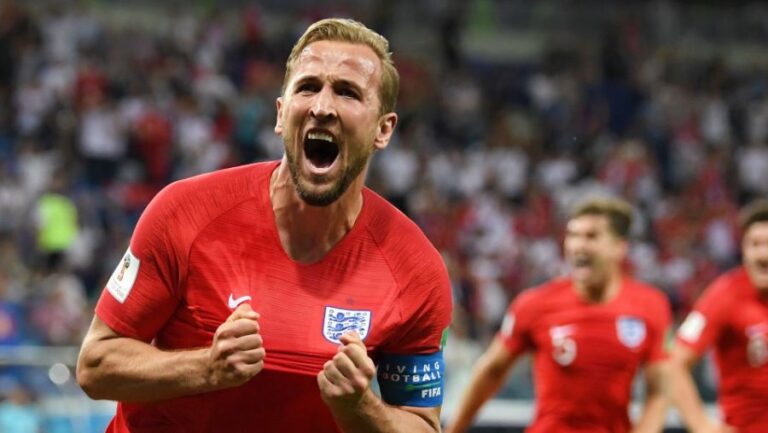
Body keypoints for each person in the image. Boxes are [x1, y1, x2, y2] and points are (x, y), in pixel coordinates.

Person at [76, 18, 452, 433]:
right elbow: (95, 365)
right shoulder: (185, 212)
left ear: (383, 129)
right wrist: (206, 367)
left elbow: (423, 425)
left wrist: (361, 408)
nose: (322, 107)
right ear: (280, 114)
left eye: (347, 92)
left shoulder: (414, 269)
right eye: (307, 87)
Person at [445, 198, 671, 433]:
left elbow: (659, 391)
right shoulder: (535, 303)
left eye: (591, 236)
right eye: (573, 235)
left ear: (619, 247)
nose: (578, 245)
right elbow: (492, 371)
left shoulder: (650, 305)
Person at [670, 199, 768, 433]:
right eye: (754, 244)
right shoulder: (725, 294)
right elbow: (673, 363)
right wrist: (701, 426)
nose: (763, 254)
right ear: (743, 249)